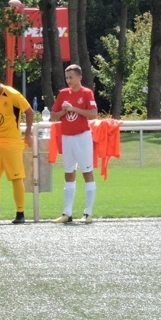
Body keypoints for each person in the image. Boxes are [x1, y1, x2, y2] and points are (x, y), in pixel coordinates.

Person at [0, 72, 34, 224]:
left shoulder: (13, 95)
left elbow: (29, 112)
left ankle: (20, 213)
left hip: (12, 142)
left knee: (16, 177)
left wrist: (27, 135)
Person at [51, 64, 98, 224]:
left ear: (79, 77)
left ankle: (88, 213)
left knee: (87, 172)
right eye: (67, 78)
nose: (68, 80)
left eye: (71, 77)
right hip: (67, 137)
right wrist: (65, 111)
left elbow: (93, 114)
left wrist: (74, 109)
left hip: (82, 137)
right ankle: (67, 213)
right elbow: (53, 115)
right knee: (69, 173)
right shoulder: (63, 93)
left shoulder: (86, 93)